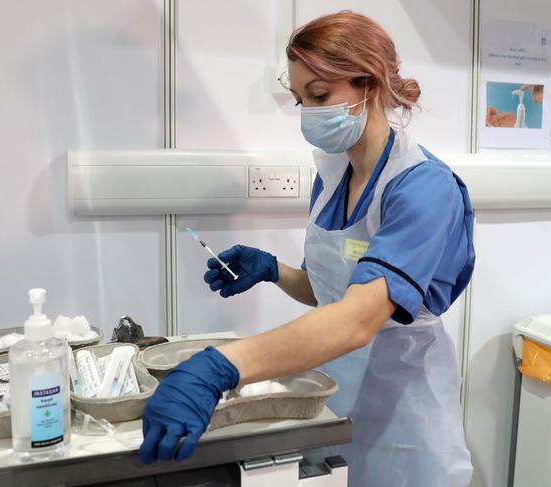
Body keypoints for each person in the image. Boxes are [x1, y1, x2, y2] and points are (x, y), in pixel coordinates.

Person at [139, 10, 475, 487]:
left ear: (371, 84)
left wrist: (223, 366)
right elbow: (333, 294)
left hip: (404, 409)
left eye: (320, 96)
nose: (310, 114)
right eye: (301, 101)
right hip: (335, 395)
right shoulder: (335, 175)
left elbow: (359, 318)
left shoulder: (423, 187)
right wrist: (274, 270)